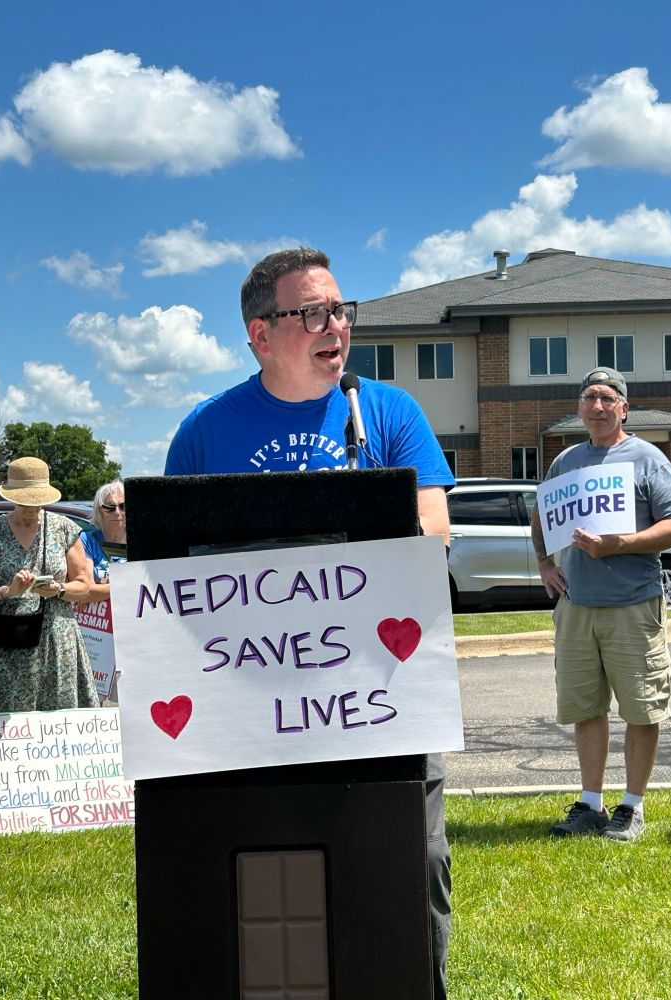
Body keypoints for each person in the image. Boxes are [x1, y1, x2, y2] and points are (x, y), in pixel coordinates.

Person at [166, 246, 454, 998]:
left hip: (376, 692)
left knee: (409, 861)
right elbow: (171, 569)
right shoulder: (204, 431)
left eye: (340, 310)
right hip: (254, 699)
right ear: (260, 334)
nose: (336, 326)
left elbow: (434, 530)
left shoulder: (390, 414)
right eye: (311, 313)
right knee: (259, 854)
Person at [531, 367, 671, 841]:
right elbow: (542, 514)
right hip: (576, 607)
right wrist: (544, 563)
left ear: (624, 407)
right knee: (586, 707)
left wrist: (618, 545)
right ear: (579, 408)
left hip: (633, 605)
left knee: (642, 709)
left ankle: (632, 807)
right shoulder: (566, 462)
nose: (597, 407)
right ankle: (591, 804)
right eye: (588, 398)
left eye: (607, 398)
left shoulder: (647, 459)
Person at [0, 456, 98, 713]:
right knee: (10, 729)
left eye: (37, 501)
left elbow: (86, 585)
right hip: (8, 646)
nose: (31, 508)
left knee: (60, 725)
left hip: (58, 642)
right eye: (23, 502)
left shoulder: (64, 528)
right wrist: (7, 591)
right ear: (11, 496)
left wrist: (59, 590)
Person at [80, 480, 127, 601]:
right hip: (98, 617)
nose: (117, 513)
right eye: (110, 507)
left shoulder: (139, 541)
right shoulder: (87, 540)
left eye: (123, 506)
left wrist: (100, 591)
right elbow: (87, 590)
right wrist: (128, 584)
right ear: (99, 511)